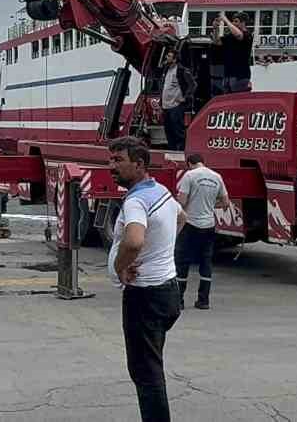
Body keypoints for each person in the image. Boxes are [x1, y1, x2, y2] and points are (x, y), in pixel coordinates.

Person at [107, 135, 184, 422]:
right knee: (151, 365)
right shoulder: (162, 192)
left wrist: (120, 267)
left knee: (146, 373)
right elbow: (181, 217)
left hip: (145, 296)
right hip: (169, 291)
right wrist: (161, 252)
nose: (111, 166)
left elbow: (134, 241)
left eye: (118, 160)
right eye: (110, 160)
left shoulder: (136, 201)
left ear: (139, 164)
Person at [174, 153, 229, 310]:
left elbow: (182, 202)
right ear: (203, 162)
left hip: (190, 224)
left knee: (182, 261)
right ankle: (203, 300)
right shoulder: (217, 177)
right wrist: (211, 206)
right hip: (208, 226)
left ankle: (179, 300)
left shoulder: (189, 176)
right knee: (206, 262)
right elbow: (225, 202)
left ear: (189, 163)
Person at [159, 49, 193, 151]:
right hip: (166, 106)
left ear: (174, 59)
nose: (166, 58)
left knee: (178, 130)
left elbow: (192, 85)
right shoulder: (165, 70)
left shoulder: (182, 70)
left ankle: (182, 150)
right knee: (168, 131)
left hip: (176, 106)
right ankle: (171, 149)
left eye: (169, 56)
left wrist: (185, 98)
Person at [213, 12, 254, 95]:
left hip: (240, 75)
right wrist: (216, 28)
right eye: (233, 21)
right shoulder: (230, 36)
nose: (233, 23)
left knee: (239, 100)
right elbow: (217, 42)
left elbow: (239, 35)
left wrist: (225, 20)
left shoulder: (247, 34)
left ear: (243, 23)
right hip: (228, 74)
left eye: (236, 21)